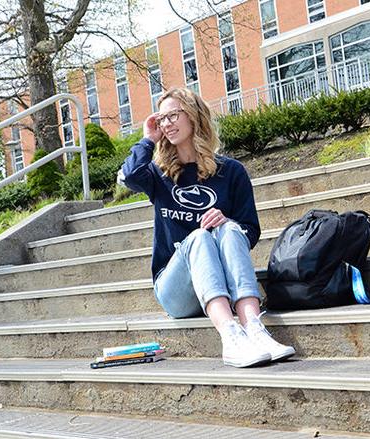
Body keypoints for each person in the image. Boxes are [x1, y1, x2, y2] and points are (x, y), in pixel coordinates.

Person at [119, 87, 295, 368]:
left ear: (193, 116)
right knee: (199, 237)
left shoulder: (231, 172)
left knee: (229, 228)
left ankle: (254, 328)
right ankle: (230, 337)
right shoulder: (158, 175)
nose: (167, 124)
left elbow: (250, 231)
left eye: (173, 115)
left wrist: (227, 222)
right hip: (174, 289)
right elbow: (129, 175)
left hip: (218, 282)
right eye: (162, 119)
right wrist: (147, 138)